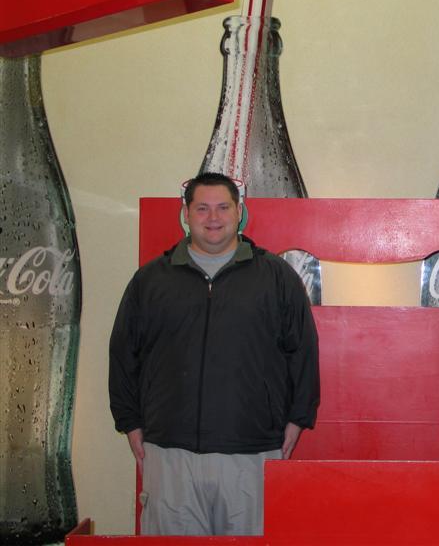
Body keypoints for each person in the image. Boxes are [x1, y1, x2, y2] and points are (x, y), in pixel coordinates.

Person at [109, 172, 320, 536]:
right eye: (202, 208)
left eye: (223, 207)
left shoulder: (276, 278)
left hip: (251, 453)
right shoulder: (151, 280)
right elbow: (123, 354)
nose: (213, 217)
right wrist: (129, 420)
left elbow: (302, 351)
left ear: (239, 212)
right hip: (170, 453)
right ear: (186, 214)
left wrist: (298, 417)